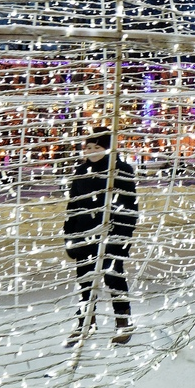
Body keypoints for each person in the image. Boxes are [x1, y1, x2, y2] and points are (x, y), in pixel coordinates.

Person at [64, 127, 138, 346]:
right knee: (85, 280)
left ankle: (123, 321)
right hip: (84, 235)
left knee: (114, 278)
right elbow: (73, 205)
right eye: (88, 147)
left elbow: (129, 207)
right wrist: (70, 234)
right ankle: (85, 322)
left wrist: (122, 236)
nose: (92, 151)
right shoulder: (81, 171)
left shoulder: (120, 170)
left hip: (111, 235)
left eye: (97, 147)